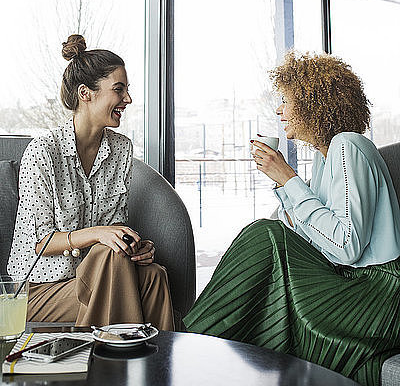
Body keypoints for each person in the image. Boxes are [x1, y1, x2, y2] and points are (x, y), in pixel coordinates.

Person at [183, 51, 400, 386]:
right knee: (266, 237)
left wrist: (288, 179)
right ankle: (201, 347)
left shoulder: (348, 146)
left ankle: (189, 344)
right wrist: (285, 184)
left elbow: (346, 246)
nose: (279, 109)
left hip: (377, 292)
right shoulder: (325, 158)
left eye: (286, 100)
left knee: (264, 235)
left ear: (314, 102)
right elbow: (312, 234)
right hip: (348, 280)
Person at [7, 34, 174, 330]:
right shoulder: (43, 151)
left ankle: (159, 368)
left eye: (127, 90)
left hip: (98, 271)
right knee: (112, 260)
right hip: (39, 289)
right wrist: (100, 235)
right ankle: (114, 364)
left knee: (154, 275)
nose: (128, 99)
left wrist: (131, 245)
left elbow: (113, 228)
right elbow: (40, 242)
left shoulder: (121, 149)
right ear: (86, 93)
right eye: (118, 90)